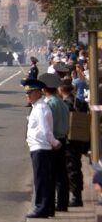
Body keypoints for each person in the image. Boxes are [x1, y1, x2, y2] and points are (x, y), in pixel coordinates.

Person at [24, 78, 60, 218]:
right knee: (45, 179)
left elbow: (45, 130)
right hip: (39, 148)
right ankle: (48, 207)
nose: (27, 95)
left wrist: (54, 143)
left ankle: (41, 208)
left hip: (41, 148)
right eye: (27, 93)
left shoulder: (40, 108)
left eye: (30, 92)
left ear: (39, 92)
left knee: (41, 180)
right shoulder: (38, 107)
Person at [41, 74, 70, 212]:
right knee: (62, 173)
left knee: (51, 174)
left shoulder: (49, 105)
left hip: (53, 140)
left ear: (44, 89)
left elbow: (46, 126)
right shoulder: (62, 103)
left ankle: (51, 203)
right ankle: (63, 203)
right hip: (63, 138)